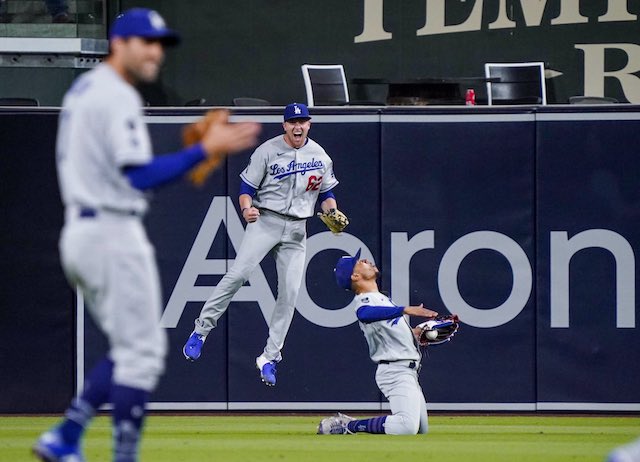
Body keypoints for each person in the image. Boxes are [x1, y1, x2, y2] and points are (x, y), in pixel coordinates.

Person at [32, 8, 260, 462]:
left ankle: (67, 436)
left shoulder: (86, 90)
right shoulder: (114, 95)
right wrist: (203, 150)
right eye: (145, 41)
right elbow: (136, 176)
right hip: (110, 230)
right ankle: (117, 453)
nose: (155, 51)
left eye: (160, 43)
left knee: (133, 348)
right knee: (142, 354)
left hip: (85, 230)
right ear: (118, 43)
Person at [183, 102, 342, 387]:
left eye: (302, 121)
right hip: (266, 221)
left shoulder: (320, 156)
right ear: (284, 125)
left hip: (297, 229)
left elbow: (326, 193)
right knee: (239, 274)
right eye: (292, 122)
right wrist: (246, 210)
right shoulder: (267, 151)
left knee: (290, 293)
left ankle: (269, 357)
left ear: (309, 124)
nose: (297, 126)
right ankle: (201, 330)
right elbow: (246, 190)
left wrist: (331, 211)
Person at [317, 249, 439, 435]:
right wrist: (406, 309)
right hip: (395, 371)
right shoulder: (365, 300)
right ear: (355, 275)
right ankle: (347, 426)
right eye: (359, 262)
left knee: (420, 430)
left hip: (407, 370)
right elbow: (364, 314)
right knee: (406, 427)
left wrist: (416, 333)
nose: (366, 259)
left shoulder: (381, 299)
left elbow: (388, 330)